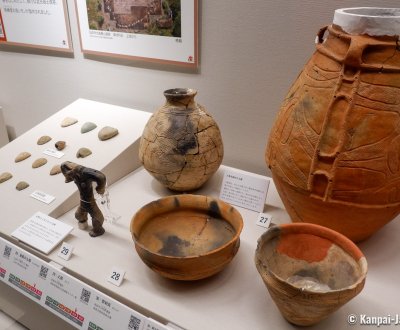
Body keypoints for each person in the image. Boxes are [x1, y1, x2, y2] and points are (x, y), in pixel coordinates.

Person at [61, 161, 107, 237]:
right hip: (83, 201)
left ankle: (98, 230)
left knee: (97, 220)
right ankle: (83, 221)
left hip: (90, 203)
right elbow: (63, 166)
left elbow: (101, 177)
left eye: (69, 174)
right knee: (78, 215)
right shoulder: (72, 172)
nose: (70, 176)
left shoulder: (85, 172)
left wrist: (100, 188)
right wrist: (68, 178)